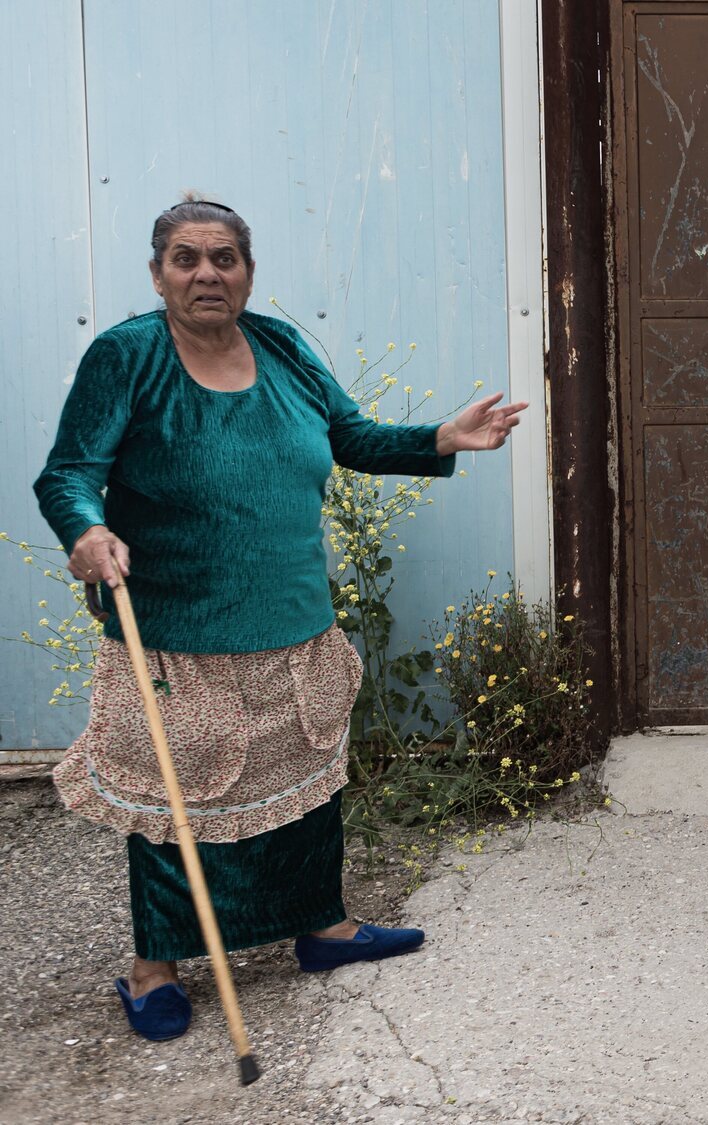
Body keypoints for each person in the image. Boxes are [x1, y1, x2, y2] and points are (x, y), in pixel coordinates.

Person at [33, 196, 528, 1041]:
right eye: (185, 258)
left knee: (305, 782)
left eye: (224, 258)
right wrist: (86, 530)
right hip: (179, 630)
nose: (206, 274)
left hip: (292, 618)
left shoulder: (285, 347)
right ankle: (154, 968)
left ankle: (324, 929)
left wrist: (441, 437)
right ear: (158, 274)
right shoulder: (128, 356)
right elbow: (68, 473)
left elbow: (353, 436)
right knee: (173, 800)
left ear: (248, 271)